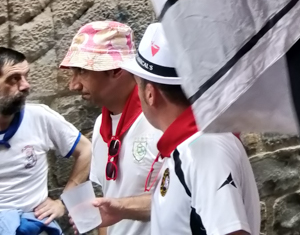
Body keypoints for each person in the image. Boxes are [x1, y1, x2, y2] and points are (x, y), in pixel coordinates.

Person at [100, 23, 260, 235]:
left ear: (150, 94)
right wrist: (122, 209)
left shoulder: (204, 149)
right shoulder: (189, 147)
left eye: (137, 85)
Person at [60, 21, 161, 235]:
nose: (73, 85)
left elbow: (184, 196)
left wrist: (122, 208)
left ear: (116, 70)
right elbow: (107, 201)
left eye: (82, 71)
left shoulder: (160, 121)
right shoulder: (100, 125)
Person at [0, 47, 92, 229]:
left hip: (34, 225)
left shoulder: (39, 117)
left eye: (26, 76)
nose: (26, 86)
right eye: (14, 79)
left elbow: (86, 150)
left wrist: (63, 201)